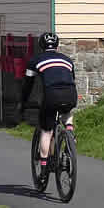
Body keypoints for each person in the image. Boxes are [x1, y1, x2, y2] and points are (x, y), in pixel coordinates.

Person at [19, 32, 77, 167]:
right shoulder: (67, 60)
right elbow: (71, 79)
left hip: (52, 95)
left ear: (41, 45)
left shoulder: (34, 61)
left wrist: (23, 102)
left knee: (46, 130)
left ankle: (44, 166)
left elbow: (28, 85)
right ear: (57, 45)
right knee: (67, 112)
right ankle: (69, 131)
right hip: (70, 94)